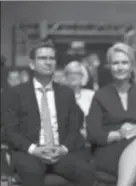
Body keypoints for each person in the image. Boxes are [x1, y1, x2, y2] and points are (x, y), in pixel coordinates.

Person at [1, 41, 95, 186]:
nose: (48, 62)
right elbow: (11, 131)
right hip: (30, 152)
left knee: (86, 171)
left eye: (51, 58)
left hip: (60, 152)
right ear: (32, 64)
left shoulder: (66, 93)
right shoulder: (16, 93)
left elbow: (74, 129)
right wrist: (34, 150)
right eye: (43, 58)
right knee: (32, 171)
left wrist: (63, 149)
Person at [87, 42, 136, 186]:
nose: (120, 67)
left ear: (132, 66)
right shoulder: (100, 95)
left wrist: (134, 131)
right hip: (109, 152)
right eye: (115, 63)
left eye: (124, 63)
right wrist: (121, 134)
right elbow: (94, 134)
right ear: (110, 67)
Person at [64, 61, 95, 139]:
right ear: (66, 76)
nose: (73, 76)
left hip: (89, 138)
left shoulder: (91, 95)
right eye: (70, 73)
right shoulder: (59, 95)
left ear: (83, 76)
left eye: (77, 73)